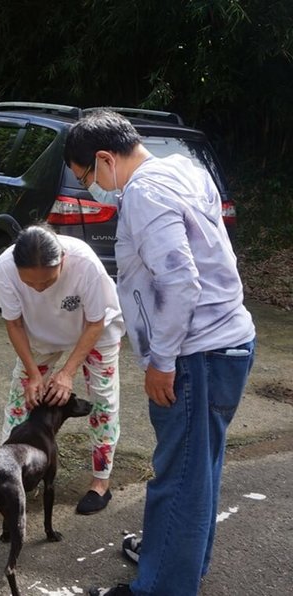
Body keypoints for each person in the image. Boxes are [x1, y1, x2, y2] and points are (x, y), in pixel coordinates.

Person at [63, 110, 256, 596]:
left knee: (179, 478)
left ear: (105, 159)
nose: (90, 188)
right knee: (200, 469)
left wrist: (163, 361)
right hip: (229, 342)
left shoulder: (145, 193)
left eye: (86, 176)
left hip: (196, 354)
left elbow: (180, 281)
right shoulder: (184, 170)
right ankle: (178, 562)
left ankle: (162, 586)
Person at [0, 223, 125, 514]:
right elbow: (13, 323)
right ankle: (11, 473)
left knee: (101, 403)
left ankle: (101, 481)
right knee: (20, 401)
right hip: (40, 334)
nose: (38, 289)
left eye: (46, 283)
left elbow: (96, 322)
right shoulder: (4, 268)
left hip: (94, 333)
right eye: (30, 284)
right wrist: (34, 375)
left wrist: (67, 372)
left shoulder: (85, 264)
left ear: (62, 259)